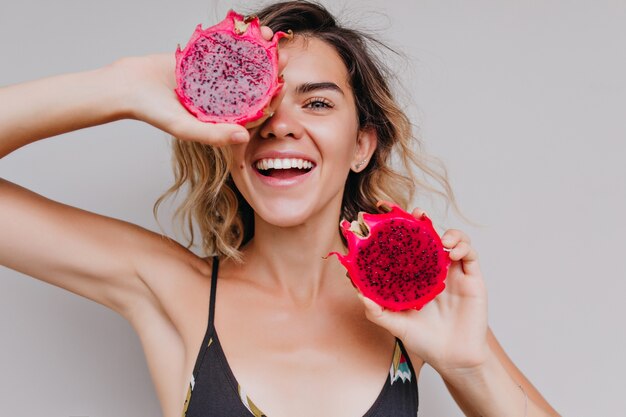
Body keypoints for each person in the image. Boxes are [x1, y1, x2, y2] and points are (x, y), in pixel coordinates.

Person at [0, 1, 559, 416]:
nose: (281, 124)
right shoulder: (170, 287)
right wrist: (118, 87)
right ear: (224, 135)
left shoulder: (415, 309)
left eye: (316, 102)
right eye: (259, 103)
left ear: (362, 144)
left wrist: (470, 365)